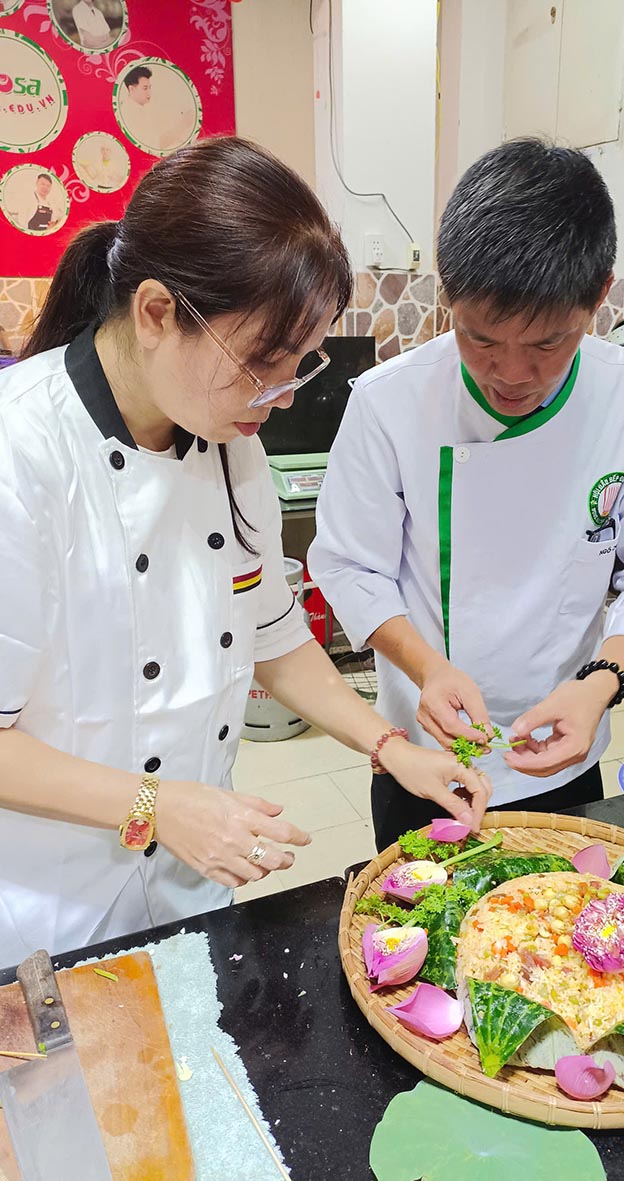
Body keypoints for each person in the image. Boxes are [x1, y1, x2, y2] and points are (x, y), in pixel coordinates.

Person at [0, 136, 489, 970]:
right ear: (156, 312)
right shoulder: (22, 452)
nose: (281, 396)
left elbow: (273, 635)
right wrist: (157, 806)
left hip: (190, 884)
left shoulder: (231, 446)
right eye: (262, 362)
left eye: (300, 364)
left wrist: (392, 747)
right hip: (49, 914)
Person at [308, 138, 624, 851]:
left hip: (567, 736)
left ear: (598, 295)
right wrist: (427, 668)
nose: (512, 374)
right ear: (447, 292)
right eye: (482, 340)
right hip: (425, 751)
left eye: (548, 343)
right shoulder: (389, 401)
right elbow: (349, 566)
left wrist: (599, 682)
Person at [120, 63, 194, 156]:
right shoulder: (129, 113)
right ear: (131, 89)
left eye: (149, 88)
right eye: (145, 88)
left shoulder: (143, 109)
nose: (149, 92)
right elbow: (155, 145)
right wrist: (182, 125)